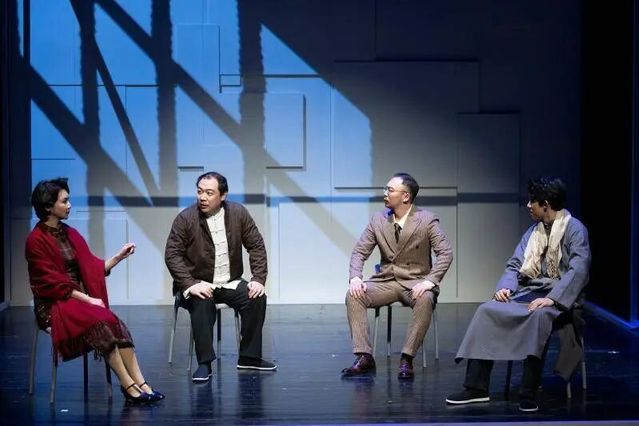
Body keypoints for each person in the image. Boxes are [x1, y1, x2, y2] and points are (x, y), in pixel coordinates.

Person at [446, 176, 591, 412]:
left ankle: (528, 391)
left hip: (561, 298)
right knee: (487, 310)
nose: (528, 205)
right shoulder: (533, 232)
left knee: (539, 317)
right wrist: (505, 287)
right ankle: (476, 388)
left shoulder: (574, 229)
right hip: (530, 291)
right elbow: (515, 264)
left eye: (532, 201)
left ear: (545, 204)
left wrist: (552, 299)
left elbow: (579, 268)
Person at [25, 178, 164, 404]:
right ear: (48, 206)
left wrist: (119, 257)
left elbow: (92, 268)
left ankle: (141, 383)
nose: (69, 205)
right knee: (101, 322)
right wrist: (89, 300)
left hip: (79, 300)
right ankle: (128, 386)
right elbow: (52, 284)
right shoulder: (36, 240)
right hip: (52, 305)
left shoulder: (70, 233)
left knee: (112, 321)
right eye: (64, 201)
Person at [165, 171, 276, 383]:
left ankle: (249, 357)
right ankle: (204, 363)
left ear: (223, 195)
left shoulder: (238, 213)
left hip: (229, 282)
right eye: (199, 192)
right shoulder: (186, 218)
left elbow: (256, 245)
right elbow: (172, 255)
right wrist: (189, 284)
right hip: (197, 283)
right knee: (202, 301)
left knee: (256, 297)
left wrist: (258, 278)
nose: (202, 197)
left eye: (209, 193)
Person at [343, 172, 453, 379]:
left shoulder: (427, 220)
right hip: (386, 281)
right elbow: (359, 251)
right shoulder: (378, 219)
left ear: (406, 196)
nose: (385, 193)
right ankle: (364, 356)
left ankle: (407, 357)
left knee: (425, 299)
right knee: (354, 295)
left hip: (415, 282)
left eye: (390, 190)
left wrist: (429, 281)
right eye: (386, 189)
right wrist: (355, 277)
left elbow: (446, 253)